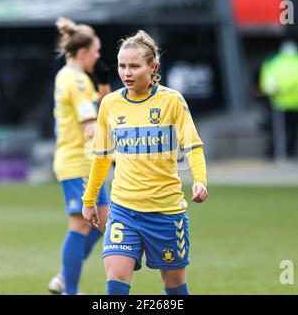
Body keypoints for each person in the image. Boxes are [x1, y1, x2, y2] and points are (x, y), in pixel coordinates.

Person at [81, 30, 208, 295]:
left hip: (166, 211)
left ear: (152, 68)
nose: (127, 72)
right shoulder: (109, 104)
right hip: (123, 210)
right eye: (122, 66)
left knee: (174, 287)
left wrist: (200, 181)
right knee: (115, 280)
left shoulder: (172, 101)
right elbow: (102, 156)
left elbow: (193, 146)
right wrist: (89, 199)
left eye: (134, 66)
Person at [48, 17, 111, 295]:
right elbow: (89, 128)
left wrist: (103, 93)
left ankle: (64, 277)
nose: (98, 58)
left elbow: (90, 112)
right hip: (77, 162)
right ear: (83, 52)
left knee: (104, 221)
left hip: (83, 162)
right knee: (82, 224)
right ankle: (69, 289)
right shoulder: (78, 82)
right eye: (96, 52)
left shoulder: (68, 75)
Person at [259, 40, 298, 159]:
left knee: (295, 130)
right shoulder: (275, 61)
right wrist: (269, 88)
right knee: (276, 130)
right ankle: (274, 152)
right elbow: (267, 77)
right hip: (279, 102)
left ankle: (291, 152)